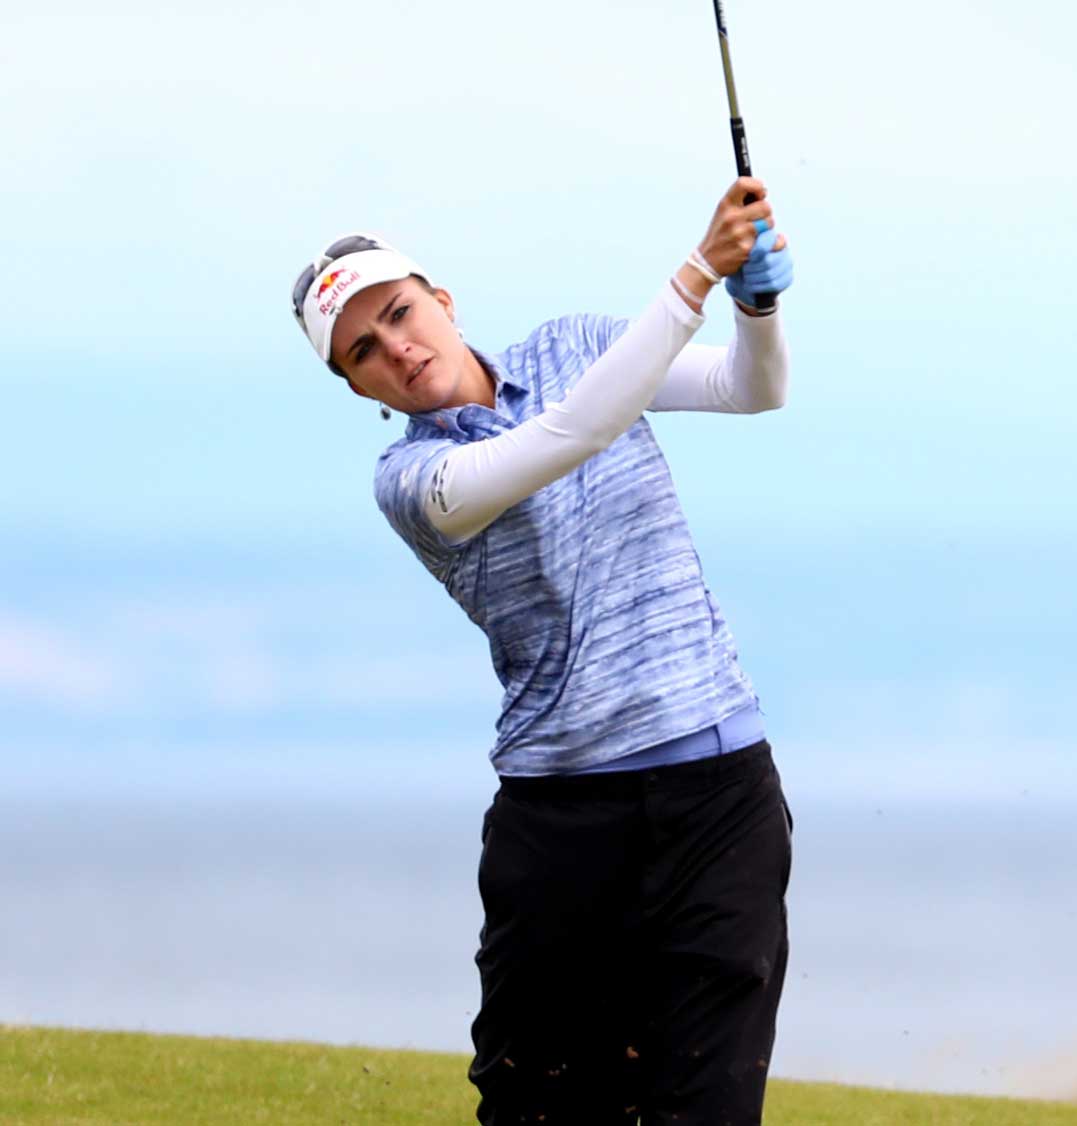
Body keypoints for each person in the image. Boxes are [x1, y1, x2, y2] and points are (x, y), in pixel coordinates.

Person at [287, 177, 797, 1125]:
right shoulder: (413, 481)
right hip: (565, 823)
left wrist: (756, 307)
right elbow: (572, 432)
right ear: (356, 387)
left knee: (708, 1107)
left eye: (399, 314)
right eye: (363, 351)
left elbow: (751, 388)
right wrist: (698, 272)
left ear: (442, 301)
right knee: (538, 1110)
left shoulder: (578, 346)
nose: (397, 348)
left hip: (721, 800)